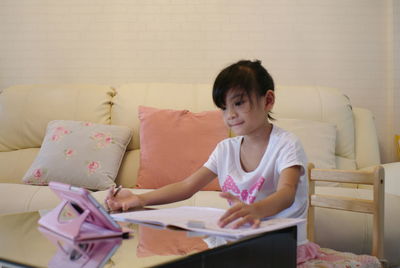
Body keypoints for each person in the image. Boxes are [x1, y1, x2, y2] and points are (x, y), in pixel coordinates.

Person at [105, 60, 320, 264]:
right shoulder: (225, 149)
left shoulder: (286, 145)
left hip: (282, 249)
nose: (230, 114)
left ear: (268, 100)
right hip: (237, 246)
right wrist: (139, 199)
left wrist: (255, 210)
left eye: (239, 103)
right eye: (224, 107)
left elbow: (286, 194)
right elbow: (187, 186)